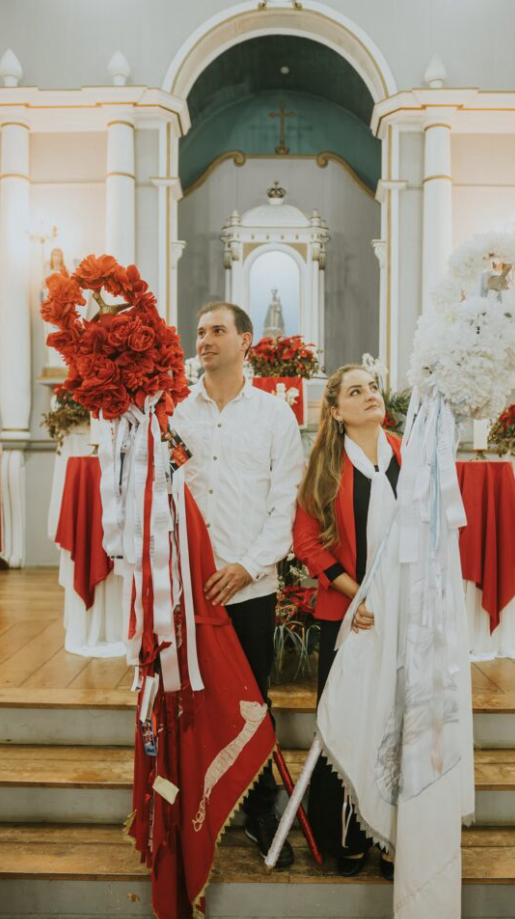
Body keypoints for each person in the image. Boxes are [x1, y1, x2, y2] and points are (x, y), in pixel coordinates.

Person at [171, 301, 305, 869]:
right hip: (190, 586)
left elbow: (285, 504)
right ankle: (196, 795)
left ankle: (260, 805)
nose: (205, 340)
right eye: (200, 332)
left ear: (246, 341)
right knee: (193, 700)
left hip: (247, 588)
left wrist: (247, 566)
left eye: (218, 331)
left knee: (253, 700)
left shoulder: (274, 416)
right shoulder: (176, 413)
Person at [293, 364, 401, 876]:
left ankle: (396, 835)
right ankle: (348, 833)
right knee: (349, 723)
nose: (369, 396)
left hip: (401, 614)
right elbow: (307, 542)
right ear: (336, 411)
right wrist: (356, 596)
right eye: (355, 392)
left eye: (373, 388)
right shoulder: (326, 465)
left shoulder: (408, 454)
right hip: (349, 614)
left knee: (396, 721)